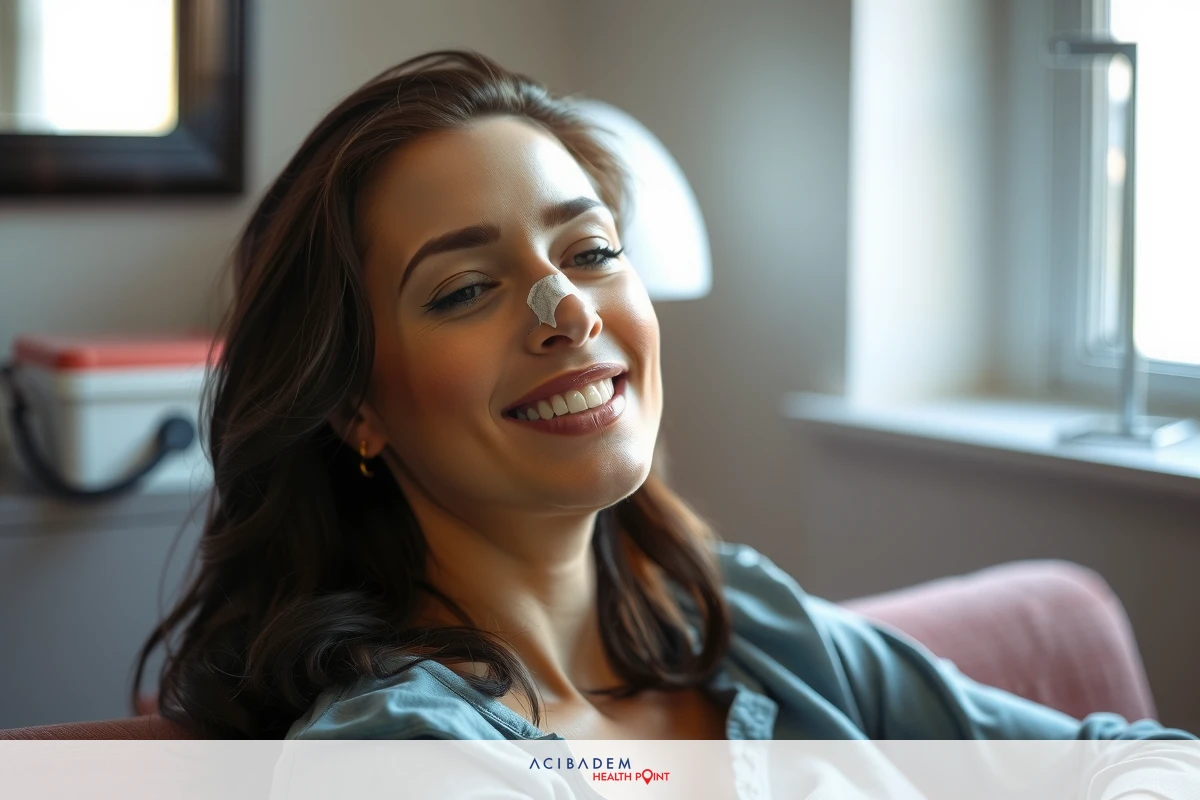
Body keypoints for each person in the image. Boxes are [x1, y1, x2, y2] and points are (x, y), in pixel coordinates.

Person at [135, 50, 1194, 747]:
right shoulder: (395, 750)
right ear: (354, 406)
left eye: (591, 248)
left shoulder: (737, 619)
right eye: (465, 288)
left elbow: (1122, 764)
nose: (566, 309)